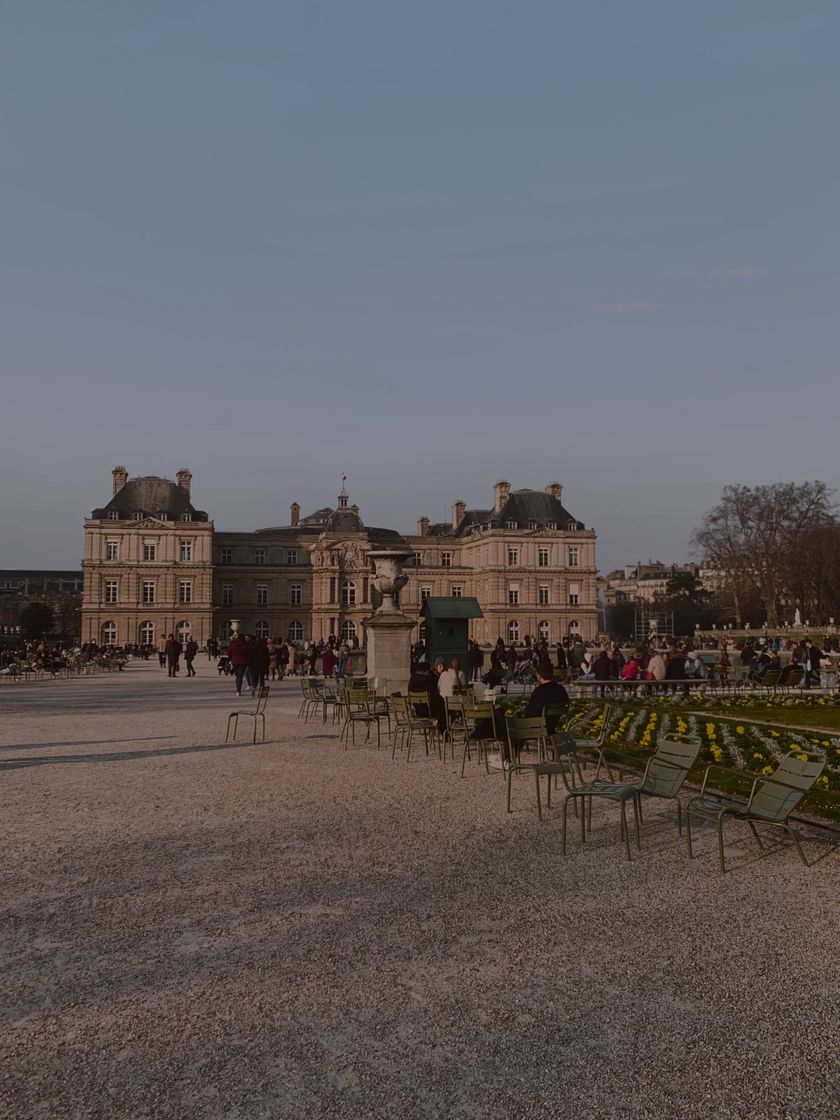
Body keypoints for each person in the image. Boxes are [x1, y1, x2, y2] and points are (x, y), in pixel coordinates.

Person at [523, 660, 570, 734]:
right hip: (554, 726)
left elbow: (529, 714)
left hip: (538, 729)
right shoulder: (561, 690)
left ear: (539, 676)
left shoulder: (539, 692)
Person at [228, 632, 248, 696]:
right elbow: (248, 654)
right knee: (240, 676)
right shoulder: (245, 646)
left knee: (237, 676)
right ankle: (238, 691)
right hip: (242, 662)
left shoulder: (232, 645)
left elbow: (229, 653)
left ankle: (238, 690)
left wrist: (230, 659)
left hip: (234, 662)